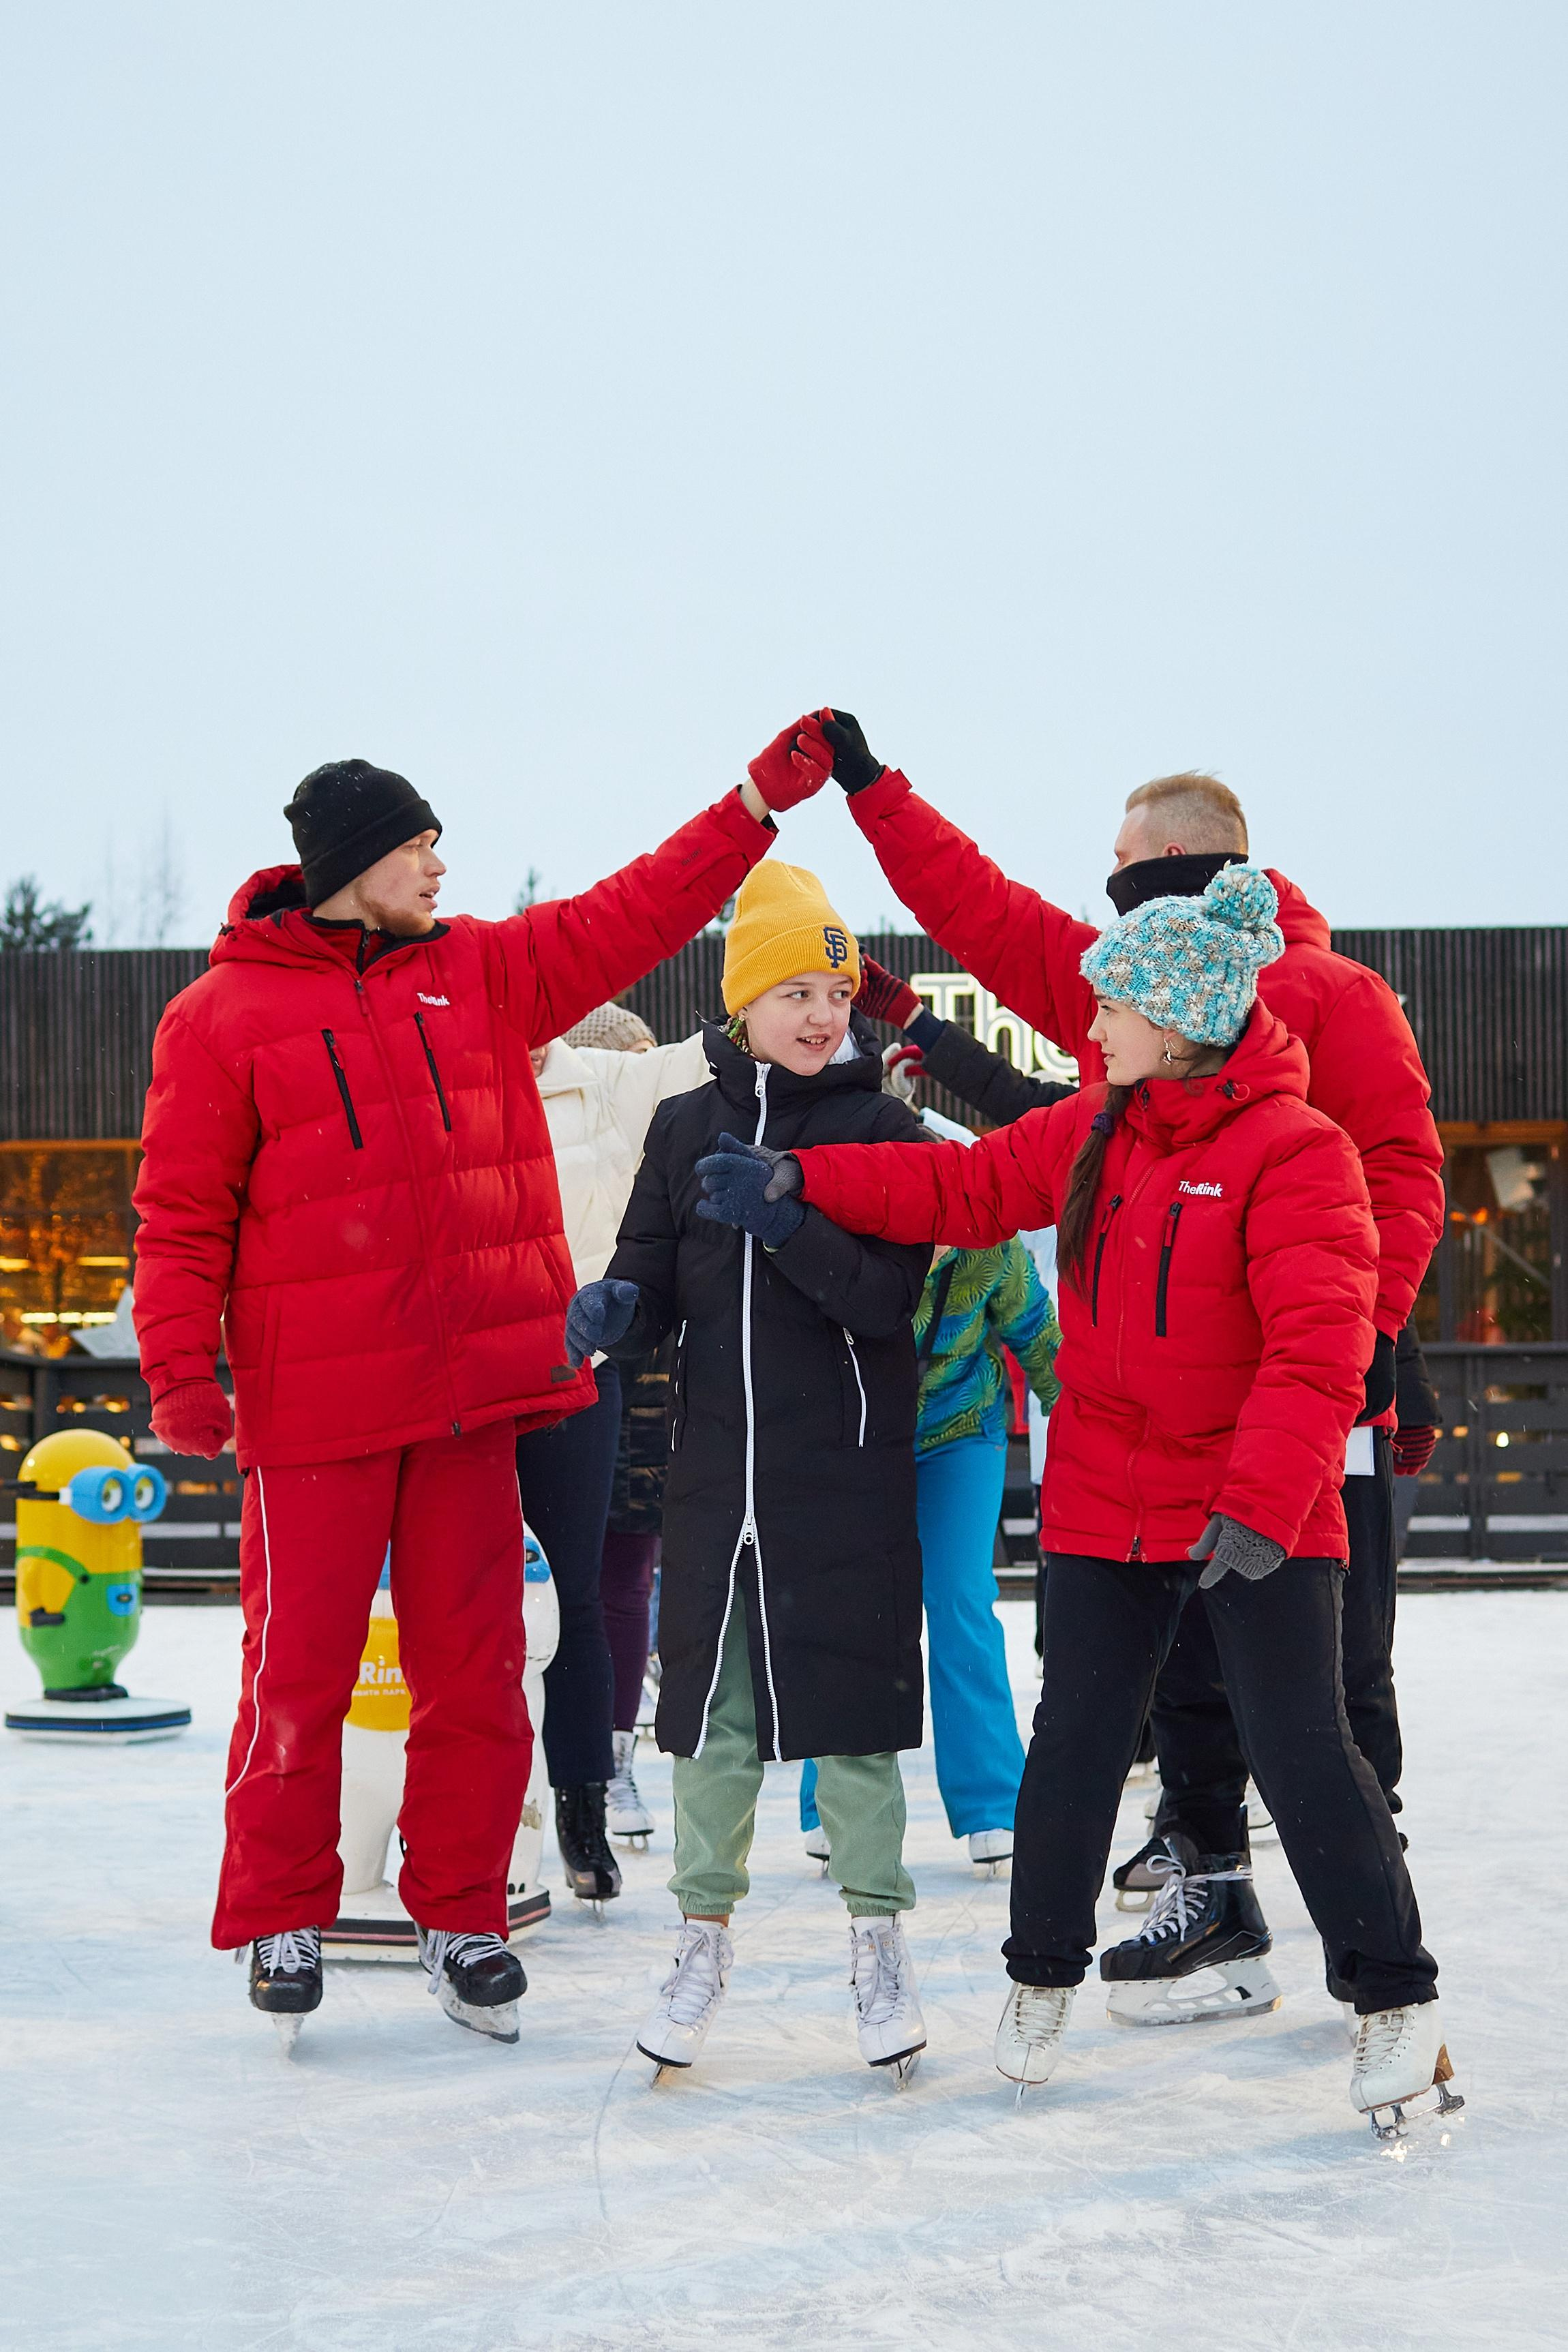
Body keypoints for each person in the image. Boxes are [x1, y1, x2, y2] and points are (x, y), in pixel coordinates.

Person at [706, 866, 1459, 2137]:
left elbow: (1318, 1347)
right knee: (1078, 1748)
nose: (1091, 1028)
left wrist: (1267, 1504)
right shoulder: (1102, 1134)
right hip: (1109, 1498)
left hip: (1249, 1505)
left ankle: (1394, 1996)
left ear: (1175, 1020)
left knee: (1300, 1747)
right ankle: (1040, 1976)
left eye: (1109, 1008)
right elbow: (959, 1189)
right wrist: (805, 1187)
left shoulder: (1301, 1152)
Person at [130, 722, 831, 2042]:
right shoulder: (221, 1017)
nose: (441, 865)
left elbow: (642, 904)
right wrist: (182, 1374)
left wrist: (756, 802)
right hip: (320, 1413)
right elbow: (179, 1213)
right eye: (419, 845)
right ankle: (284, 1906)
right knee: (300, 1673)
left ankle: (458, 1904)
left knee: (479, 1664)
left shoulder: (487, 976)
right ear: (355, 863)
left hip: (476, 1394)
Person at [815, 713, 1445, 2012]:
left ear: (1181, 864)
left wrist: (1370, 1334)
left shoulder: (1325, 998)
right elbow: (984, 922)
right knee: (1176, 1678)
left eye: (1119, 863)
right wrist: (874, 795)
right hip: (1158, 1400)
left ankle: (1375, 1930)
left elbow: (1400, 1169)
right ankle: (1217, 1888)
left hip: (1312, 1366)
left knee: (1322, 1682)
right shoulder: (1134, 1000)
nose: (1098, 897)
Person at [565, 862, 933, 2080]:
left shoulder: (886, 1128)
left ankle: (880, 1945)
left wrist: (794, 1223)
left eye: (837, 988)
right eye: (796, 989)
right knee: (709, 1726)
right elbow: (651, 1271)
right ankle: (700, 1941)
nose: (826, 1013)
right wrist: (618, 1308)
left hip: (845, 1469)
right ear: (741, 1001)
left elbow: (885, 1298)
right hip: (719, 1475)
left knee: (853, 1720)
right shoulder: (685, 1125)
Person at [800, 1219, 1060, 1871]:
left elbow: (1038, 1336)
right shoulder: (841, 1236)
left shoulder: (988, 1239)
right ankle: (833, 1800)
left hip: (962, 1428)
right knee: (854, 1606)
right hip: (856, 1434)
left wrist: (1102, 1432)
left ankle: (993, 1804)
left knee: (960, 1596)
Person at [523, 1001, 708, 1901]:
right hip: (467, 1377)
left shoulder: (602, 1083)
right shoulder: (453, 1074)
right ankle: (458, 1814)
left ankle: (582, 1798)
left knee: (583, 1593)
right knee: (466, 1600)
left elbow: (699, 1059)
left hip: (579, 1368)